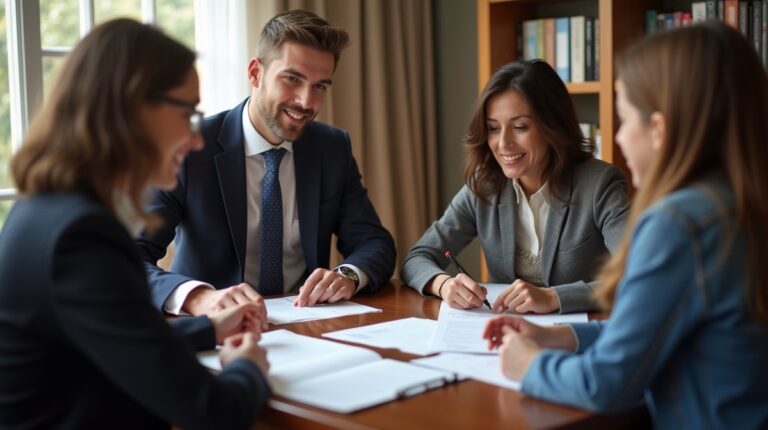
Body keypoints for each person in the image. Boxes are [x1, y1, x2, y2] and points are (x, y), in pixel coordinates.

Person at [483, 22, 768, 428]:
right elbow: (655, 328)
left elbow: (609, 383)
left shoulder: (679, 224)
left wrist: (529, 365)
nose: (618, 137)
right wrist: (561, 336)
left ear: (659, 130)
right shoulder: (737, 205)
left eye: (624, 119)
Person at [0, 19, 271, 429]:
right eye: (187, 113)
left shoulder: (42, 209)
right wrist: (248, 367)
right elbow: (213, 411)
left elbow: (112, 340)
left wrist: (208, 329)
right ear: (133, 108)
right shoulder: (83, 236)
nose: (197, 139)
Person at [136, 9, 396, 316]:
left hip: (309, 323)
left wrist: (347, 276)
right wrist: (197, 298)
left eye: (320, 87)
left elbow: (375, 242)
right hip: (215, 329)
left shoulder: (332, 148)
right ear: (255, 73)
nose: (306, 102)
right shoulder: (191, 147)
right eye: (292, 79)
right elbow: (129, 257)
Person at [401, 60, 629, 314]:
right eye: (493, 129)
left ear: (552, 126)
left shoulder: (599, 184)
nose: (503, 143)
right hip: (508, 337)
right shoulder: (484, 186)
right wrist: (444, 285)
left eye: (520, 127)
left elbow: (639, 274)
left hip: (585, 338)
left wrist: (555, 298)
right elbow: (417, 258)